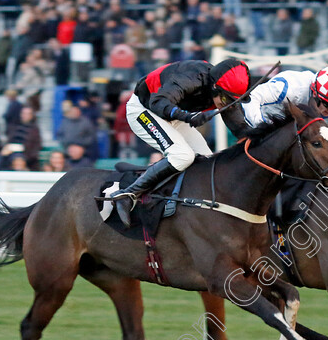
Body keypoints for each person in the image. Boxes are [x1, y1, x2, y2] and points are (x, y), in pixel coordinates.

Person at [107, 58, 251, 227]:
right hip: (145, 110)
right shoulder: (191, 78)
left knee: (207, 160)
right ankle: (126, 195)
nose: (227, 105)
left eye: (233, 101)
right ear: (215, 88)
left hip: (173, 115)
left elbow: (241, 130)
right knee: (182, 156)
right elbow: (158, 102)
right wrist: (188, 117)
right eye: (227, 100)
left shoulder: (222, 91)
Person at [241, 66, 328, 144]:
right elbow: (251, 97)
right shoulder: (290, 88)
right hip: (263, 125)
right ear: (314, 93)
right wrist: (262, 131)